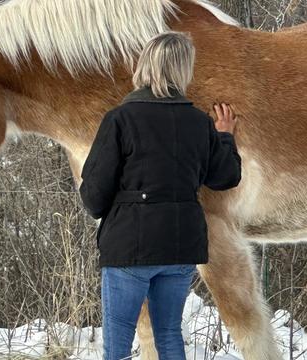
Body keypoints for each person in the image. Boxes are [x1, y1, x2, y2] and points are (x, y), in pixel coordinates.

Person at [79, 31, 241, 360]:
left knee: (118, 342)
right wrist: (224, 137)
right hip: (181, 245)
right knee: (168, 334)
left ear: (145, 66)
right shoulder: (199, 123)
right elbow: (225, 177)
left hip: (129, 248)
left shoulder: (120, 120)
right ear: (183, 70)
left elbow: (93, 196)